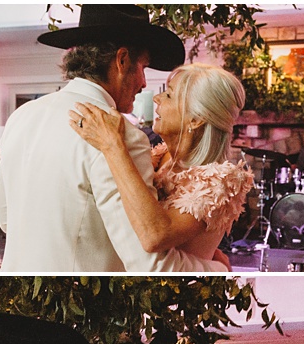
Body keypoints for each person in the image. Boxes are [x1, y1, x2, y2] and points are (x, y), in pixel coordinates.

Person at [0, 4, 223, 273]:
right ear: (122, 60)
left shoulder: (22, 116)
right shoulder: (123, 137)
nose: (143, 83)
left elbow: (6, 219)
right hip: (84, 304)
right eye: (144, 67)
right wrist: (217, 269)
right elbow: (146, 262)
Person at [69, 63, 252, 267]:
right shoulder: (160, 155)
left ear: (196, 119)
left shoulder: (223, 180)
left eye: (169, 95)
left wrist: (112, 145)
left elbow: (155, 237)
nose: (156, 98)